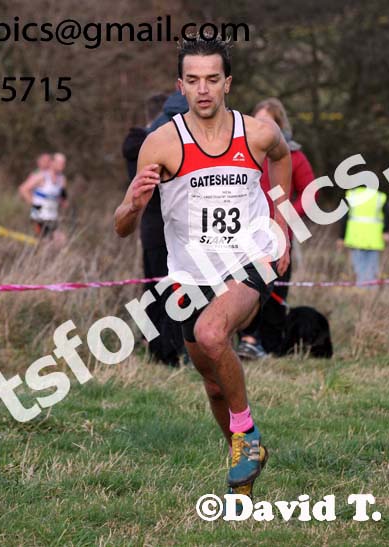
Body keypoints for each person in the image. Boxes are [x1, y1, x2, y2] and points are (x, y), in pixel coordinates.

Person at [113, 35, 291, 502]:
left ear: (227, 82)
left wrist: (281, 220)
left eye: (213, 79)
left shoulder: (257, 133)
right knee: (213, 383)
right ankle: (243, 467)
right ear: (181, 85)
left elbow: (282, 157)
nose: (203, 89)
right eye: (193, 80)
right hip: (191, 279)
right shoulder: (161, 143)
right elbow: (121, 228)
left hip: (249, 262)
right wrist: (133, 205)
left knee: (214, 335)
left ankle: (247, 438)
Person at [237, 97, 316, 359]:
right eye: (258, 120)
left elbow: (310, 193)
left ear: (280, 126)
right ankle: (246, 341)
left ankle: (270, 346)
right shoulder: (243, 152)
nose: (263, 127)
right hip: (244, 234)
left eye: (268, 122)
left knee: (275, 292)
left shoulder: (294, 155)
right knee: (244, 288)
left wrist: (289, 216)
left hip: (279, 234)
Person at [121, 91, 186, 366]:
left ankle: (156, 347)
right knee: (166, 293)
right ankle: (164, 352)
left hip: (158, 230)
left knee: (159, 291)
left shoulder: (144, 142)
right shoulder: (149, 145)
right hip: (162, 229)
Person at [341, 186, 389, 283]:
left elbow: (344, 217)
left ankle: (362, 292)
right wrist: (386, 230)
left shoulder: (352, 195)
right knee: (372, 269)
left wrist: (341, 237)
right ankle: (370, 292)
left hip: (355, 238)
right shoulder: (379, 196)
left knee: (359, 269)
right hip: (373, 239)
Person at [19, 152, 68, 242]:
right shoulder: (41, 176)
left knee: (59, 241)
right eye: (60, 163)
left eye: (64, 163)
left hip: (52, 217)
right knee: (53, 241)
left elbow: (63, 197)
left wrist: (63, 203)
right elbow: (23, 189)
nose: (62, 166)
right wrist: (34, 205)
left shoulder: (62, 179)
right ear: (52, 162)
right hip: (39, 216)